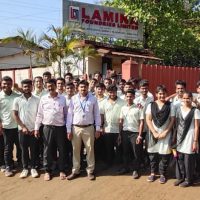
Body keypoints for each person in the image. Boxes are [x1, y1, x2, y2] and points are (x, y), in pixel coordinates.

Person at [67, 80, 101, 181]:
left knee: (90, 150)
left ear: (88, 87)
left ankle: (90, 171)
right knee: (75, 150)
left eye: (85, 87)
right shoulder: (73, 99)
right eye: (81, 87)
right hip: (75, 128)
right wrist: (68, 129)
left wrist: (98, 128)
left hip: (89, 128)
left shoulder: (93, 99)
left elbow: (96, 114)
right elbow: (69, 115)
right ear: (78, 88)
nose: (83, 89)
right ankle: (75, 170)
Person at [34, 79, 68, 181]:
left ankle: (62, 169)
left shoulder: (62, 98)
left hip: (60, 128)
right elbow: (39, 114)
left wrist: (67, 128)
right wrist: (36, 128)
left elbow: (66, 114)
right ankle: (48, 171)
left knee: (61, 149)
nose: (50, 88)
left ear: (55, 86)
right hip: (47, 128)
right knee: (47, 150)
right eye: (48, 86)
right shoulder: (43, 99)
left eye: (52, 86)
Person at [146, 85, 175, 184]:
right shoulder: (151, 105)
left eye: (163, 93)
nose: (162, 95)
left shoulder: (170, 105)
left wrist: (166, 132)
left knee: (164, 154)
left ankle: (163, 174)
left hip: (165, 133)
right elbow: (148, 119)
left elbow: (172, 120)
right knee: (152, 154)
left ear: (166, 94)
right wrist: (154, 132)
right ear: (156, 94)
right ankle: (153, 173)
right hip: (153, 133)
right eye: (160, 93)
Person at [13, 79, 40, 178]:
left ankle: (33, 168)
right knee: (23, 150)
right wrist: (23, 127)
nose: (26, 88)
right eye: (24, 86)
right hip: (22, 130)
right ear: (22, 87)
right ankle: (25, 168)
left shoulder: (37, 99)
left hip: (33, 129)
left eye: (28, 86)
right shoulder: (17, 99)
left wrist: (36, 128)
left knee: (33, 149)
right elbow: (15, 115)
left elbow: (39, 114)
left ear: (31, 87)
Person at [173, 92, 200, 187]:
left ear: (191, 98)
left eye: (188, 98)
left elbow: (197, 127)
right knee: (180, 158)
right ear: (182, 99)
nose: (186, 100)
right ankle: (181, 177)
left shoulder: (195, 111)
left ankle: (189, 180)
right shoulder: (178, 110)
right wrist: (175, 138)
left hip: (190, 137)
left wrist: (195, 141)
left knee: (188, 160)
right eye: (184, 98)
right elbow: (177, 125)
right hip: (180, 137)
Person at [118, 89, 144, 179]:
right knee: (125, 152)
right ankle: (126, 167)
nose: (129, 98)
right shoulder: (123, 108)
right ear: (125, 97)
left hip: (135, 133)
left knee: (136, 152)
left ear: (134, 97)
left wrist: (140, 135)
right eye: (127, 96)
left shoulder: (138, 107)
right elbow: (121, 122)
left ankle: (136, 170)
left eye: (131, 96)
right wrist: (119, 134)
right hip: (125, 132)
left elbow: (141, 122)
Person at [0, 76, 21, 177]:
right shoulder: (0, 96)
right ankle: (8, 166)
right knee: (8, 148)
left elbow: (26, 94)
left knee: (20, 146)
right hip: (6, 126)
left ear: (11, 84)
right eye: (4, 83)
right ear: (1, 84)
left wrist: (18, 88)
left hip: (18, 126)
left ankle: (20, 163)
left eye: (8, 84)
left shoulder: (16, 95)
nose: (6, 86)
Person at [101, 85, 125, 167]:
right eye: (110, 92)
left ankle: (119, 164)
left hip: (118, 129)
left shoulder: (122, 102)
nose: (112, 94)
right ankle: (109, 163)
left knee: (119, 147)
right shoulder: (104, 102)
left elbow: (124, 116)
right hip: (107, 129)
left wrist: (121, 131)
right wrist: (101, 126)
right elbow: (102, 115)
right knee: (108, 147)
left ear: (116, 91)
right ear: (107, 92)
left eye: (114, 92)